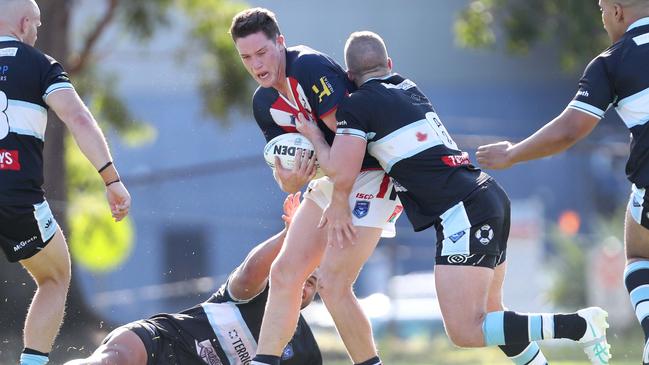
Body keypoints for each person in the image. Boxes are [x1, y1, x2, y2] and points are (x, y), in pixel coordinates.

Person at [296, 30, 612, 365]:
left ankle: (578, 325)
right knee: (492, 314)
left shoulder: (357, 106)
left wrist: (315, 135)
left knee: (465, 330)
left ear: (349, 77)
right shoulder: (409, 88)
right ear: (389, 64)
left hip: (462, 210)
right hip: (487, 195)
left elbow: (340, 169)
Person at [475, 0, 649, 362]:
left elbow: (570, 130)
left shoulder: (613, 61)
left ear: (617, 11)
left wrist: (512, 153)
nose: (602, 20)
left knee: (638, 253)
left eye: (602, 10)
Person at [230, 8, 403, 365]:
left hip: (370, 171)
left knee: (333, 285)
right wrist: (290, 180)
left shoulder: (309, 68)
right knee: (284, 273)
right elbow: (286, 170)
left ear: (280, 43)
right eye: (246, 57)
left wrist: (339, 202)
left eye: (262, 53)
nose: (256, 64)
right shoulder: (264, 103)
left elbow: (350, 143)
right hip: (333, 177)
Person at [0, 1, 131, 364]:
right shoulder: (39, 64)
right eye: (37, 25)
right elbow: (78, 117)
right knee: (56, 276)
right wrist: (111, 179)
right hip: (16, 198)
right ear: (24, 24)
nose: (38, 31)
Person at [63, 193, 322, 365]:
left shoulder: (306, 350)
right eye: (300, 275)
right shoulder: (253, 292)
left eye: (310, 283)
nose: (303, 285)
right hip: (158, 343)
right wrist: (289, 235)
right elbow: (250, 270)